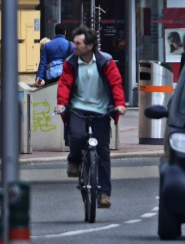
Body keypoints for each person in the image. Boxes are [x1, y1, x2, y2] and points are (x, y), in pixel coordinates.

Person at [54, 26, 126, 209]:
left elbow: (116, 84)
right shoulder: (71, 63)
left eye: (78, 43)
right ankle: (74, 160)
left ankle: (104, 194)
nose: (74, 46)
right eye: (74, 42)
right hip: (78, 108)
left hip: (101, 110)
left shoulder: (106, 62)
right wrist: (62, 103)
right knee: (77, 136)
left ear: (90, 46)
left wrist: (120, 104)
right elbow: (64, 84)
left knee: (103, 151)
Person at [35, 24, 72, 88]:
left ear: (55, 32)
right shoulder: (70, 45)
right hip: (65, 77)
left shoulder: (47, 45)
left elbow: (43, 63)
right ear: (65, 32)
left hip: (51, 77)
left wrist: (39, 77)